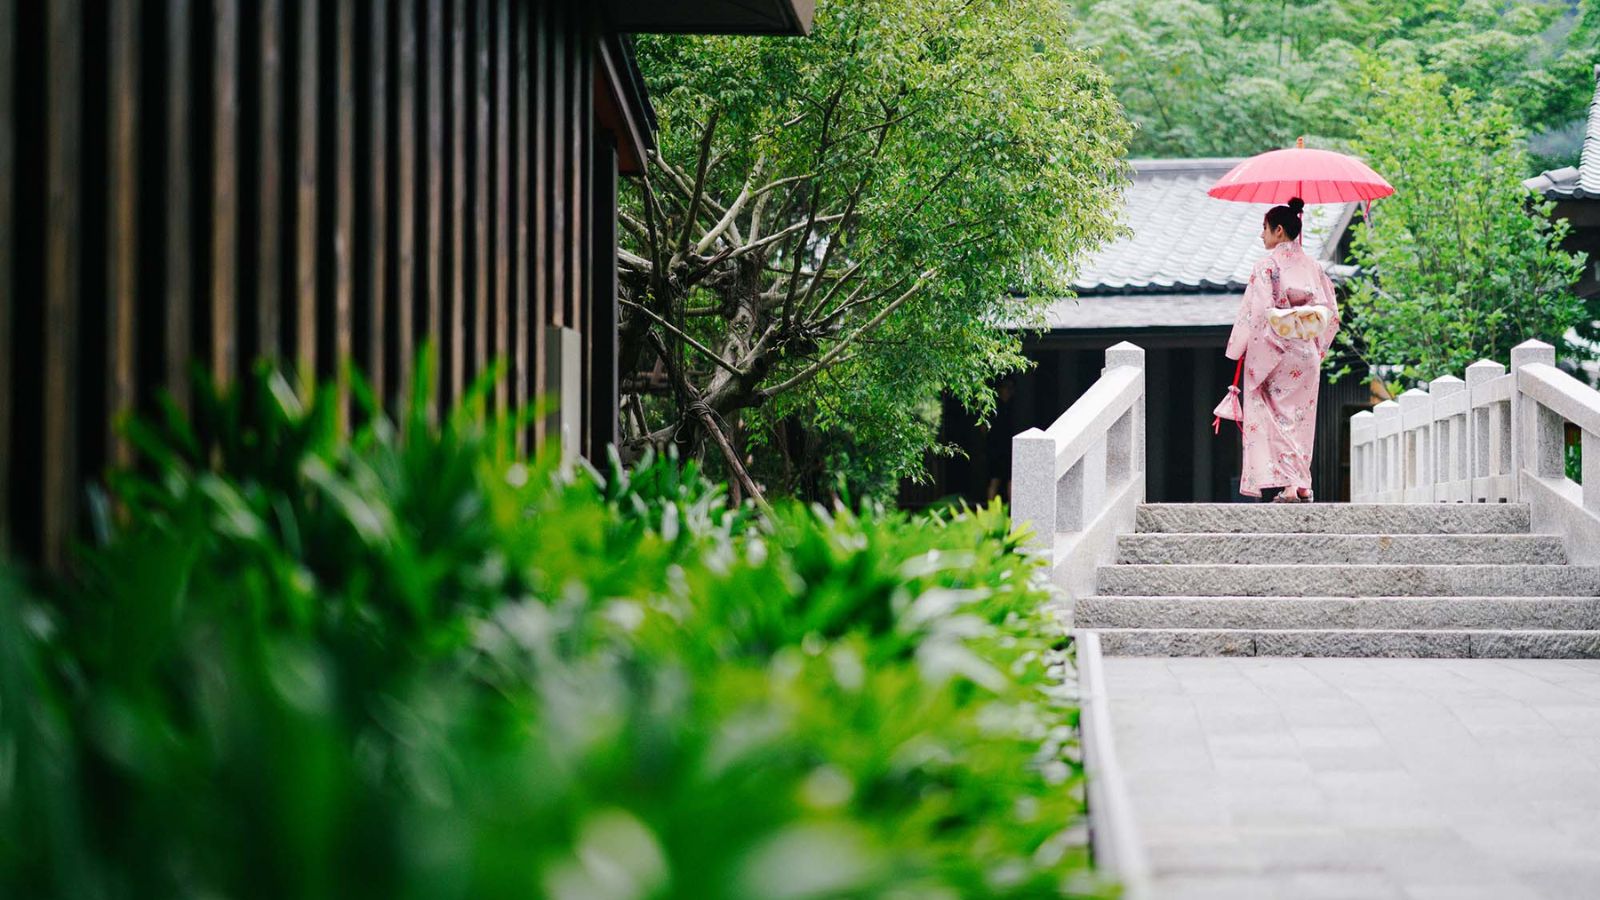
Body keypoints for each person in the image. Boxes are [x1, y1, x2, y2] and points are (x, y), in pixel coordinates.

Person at [1224, 197, 1340, 502]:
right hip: (1307, 353)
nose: (1261, 235)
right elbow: (1331, 313)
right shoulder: (1314, 267)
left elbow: (1257, 313)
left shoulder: (1267, 266)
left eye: (1264, 228)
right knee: (1300, 419)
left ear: (1278, 230)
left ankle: (1289, 486)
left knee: (1276, 417)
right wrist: (1316, 346)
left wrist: (1240, 351)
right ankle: (1303, 483)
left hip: (1277, 351)